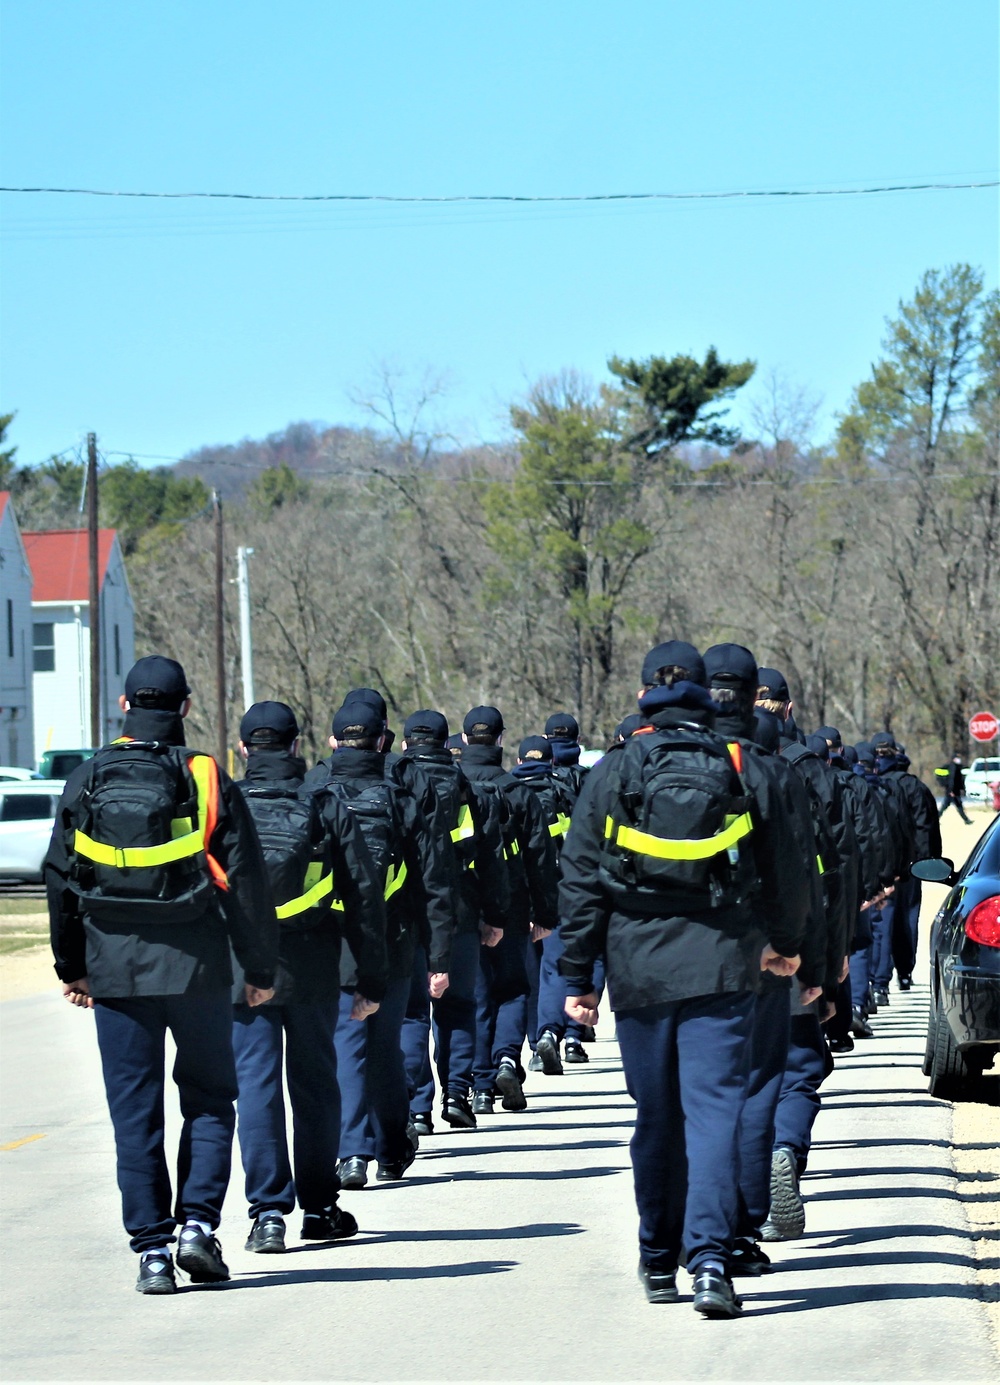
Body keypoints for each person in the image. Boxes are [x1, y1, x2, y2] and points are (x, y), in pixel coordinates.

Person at [558, 640, 805, 1317]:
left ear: (644, 694)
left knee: (656, 1115)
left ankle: (657, 1256)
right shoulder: (741, 765)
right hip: (723, 963)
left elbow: (580, 879)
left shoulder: (615, 769)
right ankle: (711, 1261)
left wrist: (578, 976)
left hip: (637, 968)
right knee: (715, 1112)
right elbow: (787, 868)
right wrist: (786, 946)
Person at [44, 656, 278, 1295]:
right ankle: (197, 1227)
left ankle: (151, 1251)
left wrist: (74, 967)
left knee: (135, 1113)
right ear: (185, 707)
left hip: (115, 971)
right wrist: (258, 967)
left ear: (124, 706)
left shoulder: (88, 775)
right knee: (209, 1100)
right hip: (198, 967)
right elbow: (245, 880)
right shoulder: (204, 774)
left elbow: (60, 877)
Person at [231, 701, 388, 1250]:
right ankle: (320, 1208)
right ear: (297, 745)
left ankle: (267, 1214)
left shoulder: (227, 803)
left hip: (242, 969)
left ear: (244, 749)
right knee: (317, 1087)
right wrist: (371, 979)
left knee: (256, 1085)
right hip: (315, 966)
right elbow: (364, 897)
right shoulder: (324, 802)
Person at [704, 644, 822, 1276]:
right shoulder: (793, 770)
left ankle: (683, 1243)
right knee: (783, 1076)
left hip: (681, 960)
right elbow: (815, 874)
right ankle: (779, 1157)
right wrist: (813, 961)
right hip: (774, 956)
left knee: (698, 1093)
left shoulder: (652, 760)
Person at [305, 699, 457, 1185]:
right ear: (383, 738)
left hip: (330, 938)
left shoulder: (314, 788)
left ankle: (352, 1151)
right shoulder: (402, 793)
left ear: (333, 740)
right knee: (385, 1044)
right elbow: (434, 878)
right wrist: (438, 953)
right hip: (393, 935)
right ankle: (391, 1146)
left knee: (346, 1041)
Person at [393, 709, 509, 1130]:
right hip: (460, 911)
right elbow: (491, 861)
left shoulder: (394, 787)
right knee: (458, 1004)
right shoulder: (469, 791)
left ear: (404, 744)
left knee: (412, 1013)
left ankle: (416, 1107)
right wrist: (495, 916)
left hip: (406, 913)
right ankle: (457, 1093)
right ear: (448, 744)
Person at [458, 706, 559, 1113]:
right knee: (514, 988)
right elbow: (540, 857)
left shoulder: (451, 787)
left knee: (477, 995)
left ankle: (480, 1086)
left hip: (463, 907)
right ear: (501, 740)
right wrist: (546, 913)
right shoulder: (517, 792)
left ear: (464, 739)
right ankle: (505, 1058)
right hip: (513, 905)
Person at [508, 736, 577, 1073]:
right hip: (560, 891)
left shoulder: (506, 791)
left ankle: (534, 1044)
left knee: (526, 974)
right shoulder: (564, 793)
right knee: (554, 968)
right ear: (551, 762)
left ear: (519, 761)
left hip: (517, 895)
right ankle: (549, 1032)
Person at [939, 754, 972, 824]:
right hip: (953, 791)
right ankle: (966, 820)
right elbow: (952, 780)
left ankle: (966, 820)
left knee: (947, 807)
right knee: (958, 806)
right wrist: (951, 791)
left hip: (953, 791)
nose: (959, 760)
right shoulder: (953, 768)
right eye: (957, 758)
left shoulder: (955, 767)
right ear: (954, 759)